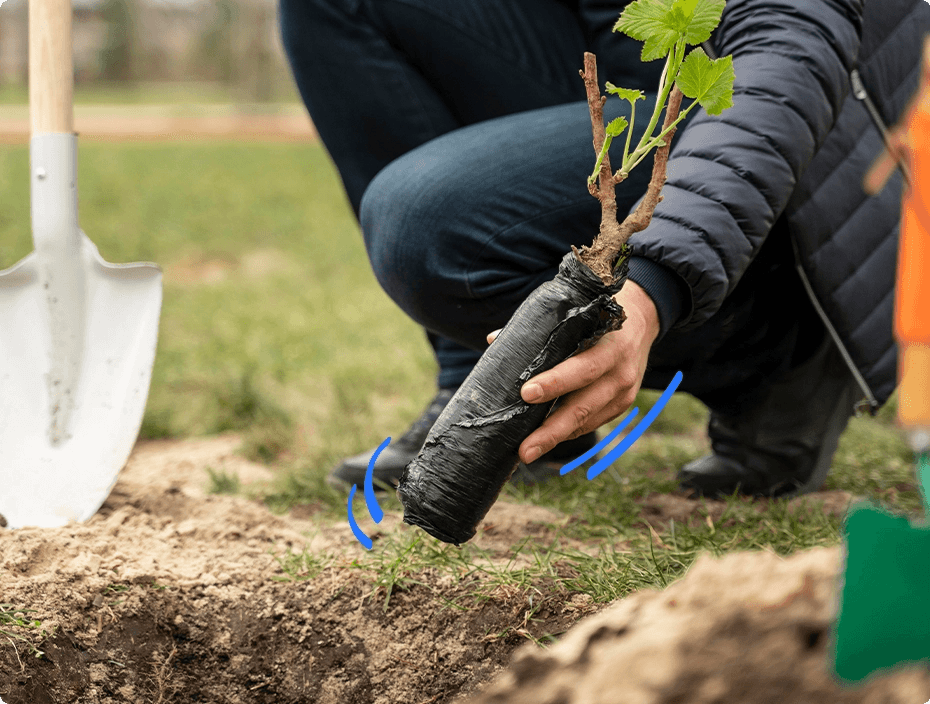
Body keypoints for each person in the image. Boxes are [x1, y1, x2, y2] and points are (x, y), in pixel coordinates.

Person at [279, 0, 930, 497]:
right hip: (624, 61)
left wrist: (653, 290)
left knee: (423, 222)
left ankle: (781, 354)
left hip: (795, 122)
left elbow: (784, 54)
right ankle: (495, 386)